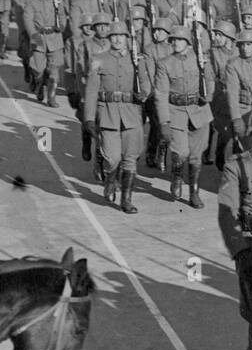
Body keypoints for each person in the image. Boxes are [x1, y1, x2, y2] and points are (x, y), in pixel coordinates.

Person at [83, 19, 151, 213]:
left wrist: (144, 93)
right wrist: (88, 118)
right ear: (109, 38)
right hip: (108, 113)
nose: (118, 40)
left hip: (131, 112)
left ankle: (126, 199)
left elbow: (146, 83)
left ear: (127, 39)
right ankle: (110, 179)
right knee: (112, 157)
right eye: (114, 36)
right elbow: (91, 91)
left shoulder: (138, 60)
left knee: (131, 156)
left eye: (121, 36)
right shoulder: (98, 59)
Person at [155, 23, 216, 208]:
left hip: (198, 111)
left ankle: (194, 193)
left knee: (196, 156)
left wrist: (209, 93)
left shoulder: (200, 60)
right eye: (173, 40)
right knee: (180, 152)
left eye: (180, 40)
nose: (176, 43)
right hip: (176, 112)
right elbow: (161, 94)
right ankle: (176, 175)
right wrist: (164, 121)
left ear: (188, 42)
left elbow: (210, 83)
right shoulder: (164, 64)